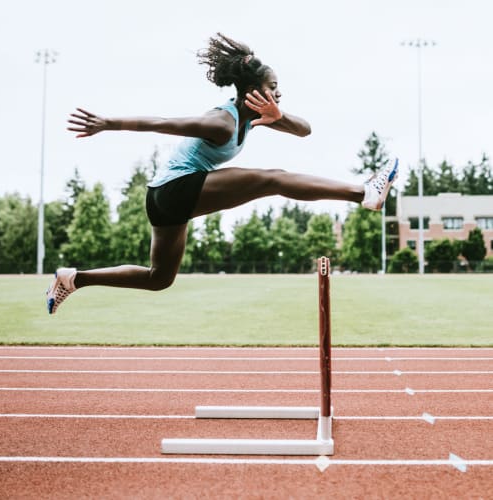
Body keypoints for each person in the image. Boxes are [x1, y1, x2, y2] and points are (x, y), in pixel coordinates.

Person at [47, 32, 399, 314]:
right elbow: (164, 122)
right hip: (174, 189)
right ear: (252, 91)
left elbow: (304, 130)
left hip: (163, 199)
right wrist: (109, 123)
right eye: (273, 87)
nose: (279, 92)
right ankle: (364, 193)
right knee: (272, 178)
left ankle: (72, 279)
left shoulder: (255, 118)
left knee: (159, 278)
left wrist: (278, 115)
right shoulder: (223, 122)